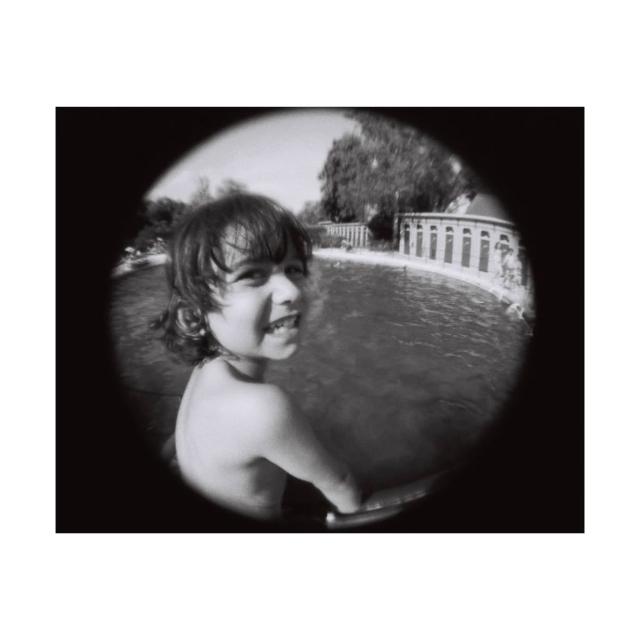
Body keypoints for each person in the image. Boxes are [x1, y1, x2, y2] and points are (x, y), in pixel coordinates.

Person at [156, 193, 362, 521]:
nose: (292, 291)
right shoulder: (264, 407)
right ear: (193, 316)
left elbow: (176, 443)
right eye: (252, 274)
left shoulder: (204, 374)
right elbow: (339, 482)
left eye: (293, 269)